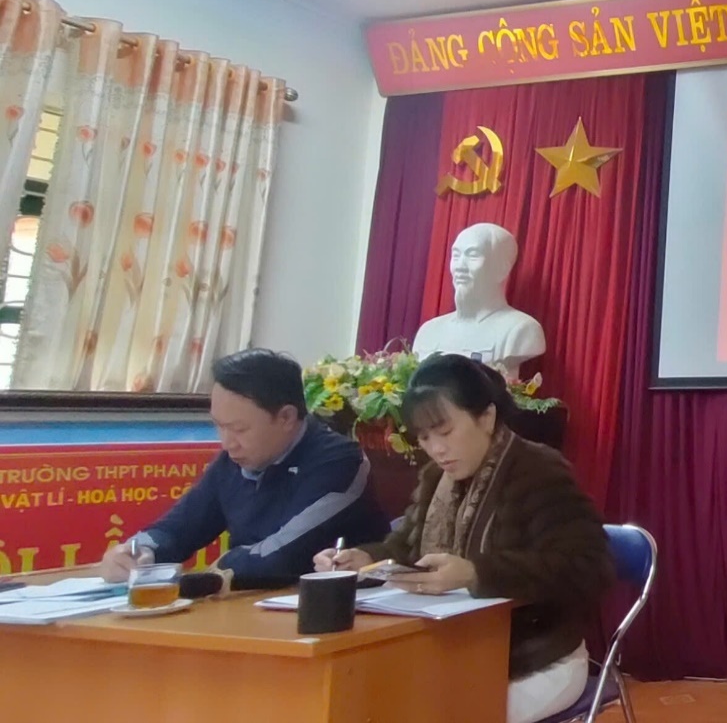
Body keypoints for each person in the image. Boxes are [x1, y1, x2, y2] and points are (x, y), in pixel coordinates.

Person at [314, 353, 613, 723]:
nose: (436, 449)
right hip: (449, 650)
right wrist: (365, 559)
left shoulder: (539, 472)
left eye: (446, 432)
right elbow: (405, 550)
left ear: (486, 418)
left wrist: (476, 573)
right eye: (425, 437)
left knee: (427, 713)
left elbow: (587, 567)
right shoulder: (435, 479)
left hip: (535, 659)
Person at [97, 349, 388, 586]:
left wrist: (215, 571)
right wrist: (138, 551)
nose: (227, 443)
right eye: (219, 426)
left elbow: (279, 558)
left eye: (239, 429)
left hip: (325, 612)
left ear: (286, 417)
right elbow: (178, 527)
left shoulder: (339, 461)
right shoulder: (233, 461)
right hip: (246, 606)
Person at [412, 223, 547, 378]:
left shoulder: (521, 330)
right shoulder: (429, 332)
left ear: (502, 269)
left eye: (473, 255)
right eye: (456, 256)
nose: (459, 267)